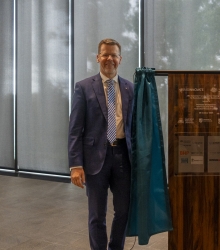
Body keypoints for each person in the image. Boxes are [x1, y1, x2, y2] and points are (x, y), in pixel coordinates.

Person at [68, 38, 134, 250]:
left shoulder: (130, 88)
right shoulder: (84, 87)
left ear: (120, 59)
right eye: (105, 54)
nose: (109, 59)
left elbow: (135, 127)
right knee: (97, 215)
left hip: (123, 157)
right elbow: (75, 129)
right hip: (95, 159)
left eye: (114, 55)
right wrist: (76, 165)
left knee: (124, 211)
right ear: (98, 57)